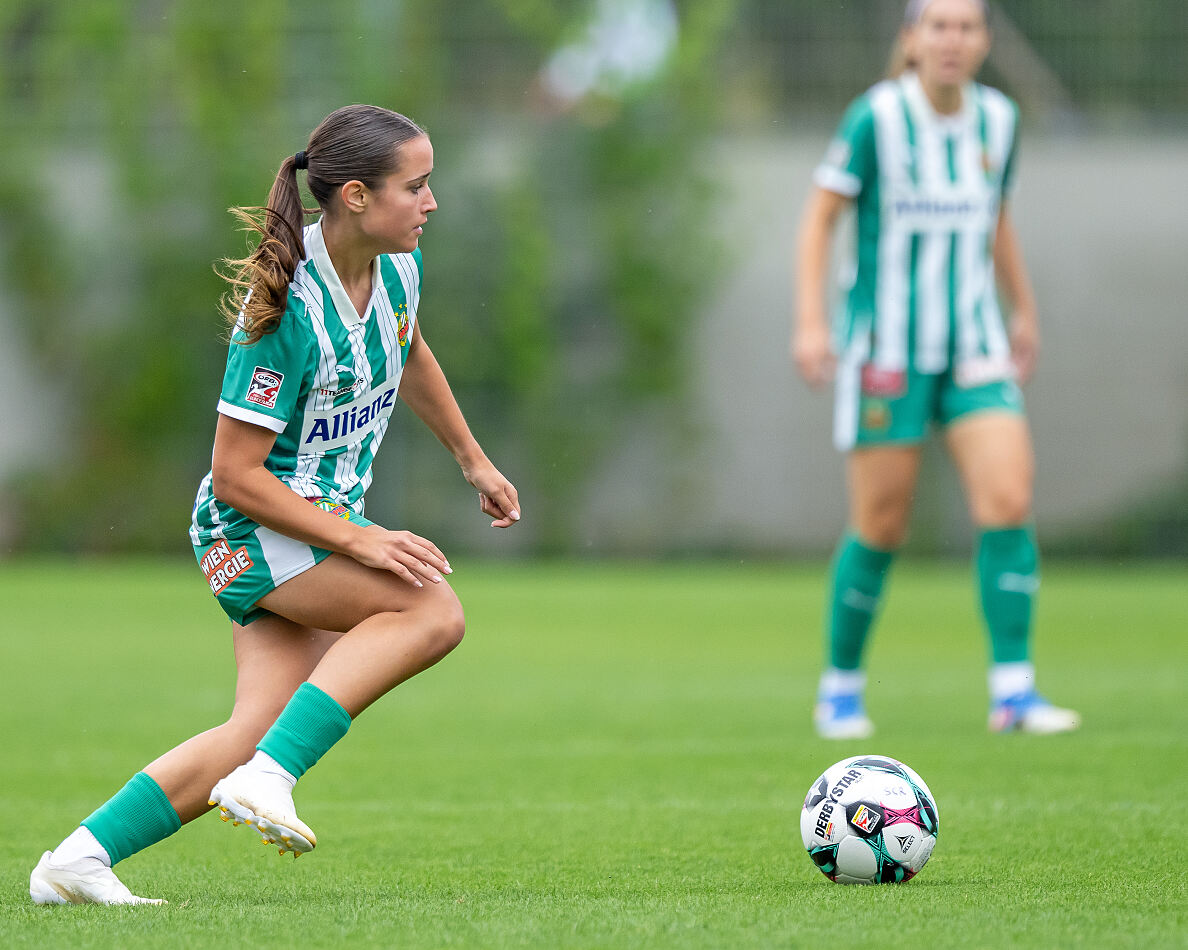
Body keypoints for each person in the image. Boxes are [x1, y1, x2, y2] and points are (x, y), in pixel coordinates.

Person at [30, 104, 521, 905]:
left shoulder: (397, 268)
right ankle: (271, 776)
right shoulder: (287, 310)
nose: (432, 202)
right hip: (256, 527)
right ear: (356, 196)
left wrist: (473, 459)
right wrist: (358, 542)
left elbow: (410, 346)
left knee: (254, 728)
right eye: (417, 186)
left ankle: (76, 862)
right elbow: (235, 476)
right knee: (432, 611)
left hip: (313, 523)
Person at [792, 0, 1079, 739]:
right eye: (938, 25)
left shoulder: (999, 121)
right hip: (887, 352)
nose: (952, 40)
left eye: (967, 27)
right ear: (911, 37)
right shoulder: (876, 120)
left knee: (1008, 499)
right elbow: (820, 217)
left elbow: (996, 217)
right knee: (882, 525)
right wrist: (812, 321)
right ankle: (841, 690)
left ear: (984, 40)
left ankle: (1014, 692)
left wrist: (1025, 309)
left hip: (976, 345)